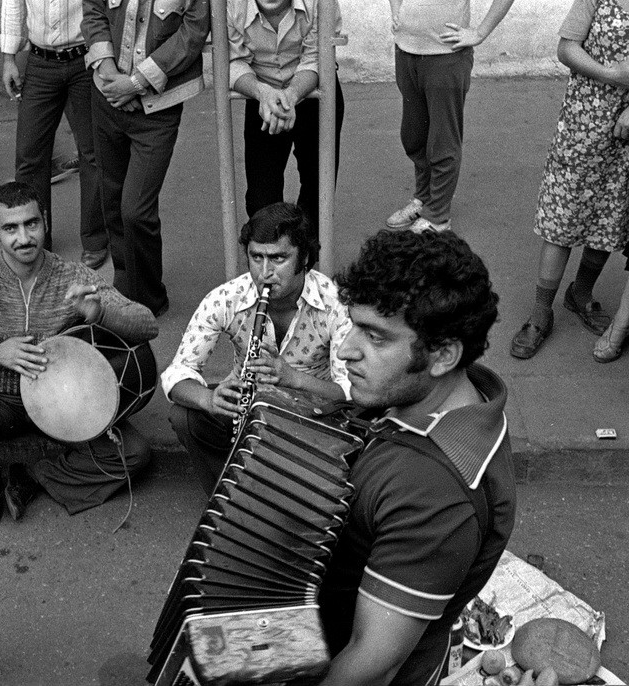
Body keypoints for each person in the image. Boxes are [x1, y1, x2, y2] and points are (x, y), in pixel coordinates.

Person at [317, 229, 516, 686]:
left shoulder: (433, 497)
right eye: (353, 324)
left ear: (443, 355)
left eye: (375, 336)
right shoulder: (441, 394)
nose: (346, 349)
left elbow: (373, 661)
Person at [0, 181, 158, 527]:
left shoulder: (72, 275)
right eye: (10, 228)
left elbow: (147, 325)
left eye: (31, 224)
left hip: (63, 399)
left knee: (134, 454)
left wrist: (100, 314)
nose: (24, 237)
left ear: (44, 221)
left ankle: (34, 475)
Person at [162, 202, 351, 494]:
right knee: (185, 416)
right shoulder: (226, 299)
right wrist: (208, 398)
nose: (265, 272)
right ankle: (229, 496)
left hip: (313, 414)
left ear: (305, 258)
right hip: (249, 407)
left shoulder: (335, 304)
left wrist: (293, 379)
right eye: (256, 257)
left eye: (278, 258)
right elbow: (176, 374)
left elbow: (352, 393)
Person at [510, 0, 629, 360]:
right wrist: (614, 76)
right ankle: (540, 312)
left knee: (611, 211)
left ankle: (581, 293)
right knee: (563, 212)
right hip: (584, 118)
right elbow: (566, 48)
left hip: (628, 129)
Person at [82, 0, 210, 316]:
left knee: (136, 210)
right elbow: (94, 10)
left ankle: (150, 297)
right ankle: (126, 285)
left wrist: (135, 83)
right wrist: (111, 76)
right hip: (107, 96)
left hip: (158, 108)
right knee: (111, 199)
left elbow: (192, 33)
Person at [384, 0, 515, 233]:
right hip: (405, 52)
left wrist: (480, 32)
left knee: (443, 141)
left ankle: (438, 216)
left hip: (446, 56)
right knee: (414, 136)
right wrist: (396, 11)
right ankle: (423, 198)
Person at [0, 0, 108, 269]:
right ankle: (34, 239)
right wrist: (9, 58)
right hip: (40, 63)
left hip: (85, 59)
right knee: (29, 156)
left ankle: (95, 240)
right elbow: (12, 4)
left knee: (93, 152)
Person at [227, 0, 345, 238]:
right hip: (261, 94)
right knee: (261, 199)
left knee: (317, 189)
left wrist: (290, 95)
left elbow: (318, 57)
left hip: (314, 93)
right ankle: (271, 262)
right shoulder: (230, 5)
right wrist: (264, 94)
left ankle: (304, 263)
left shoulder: (320, 3)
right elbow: (232, 60)